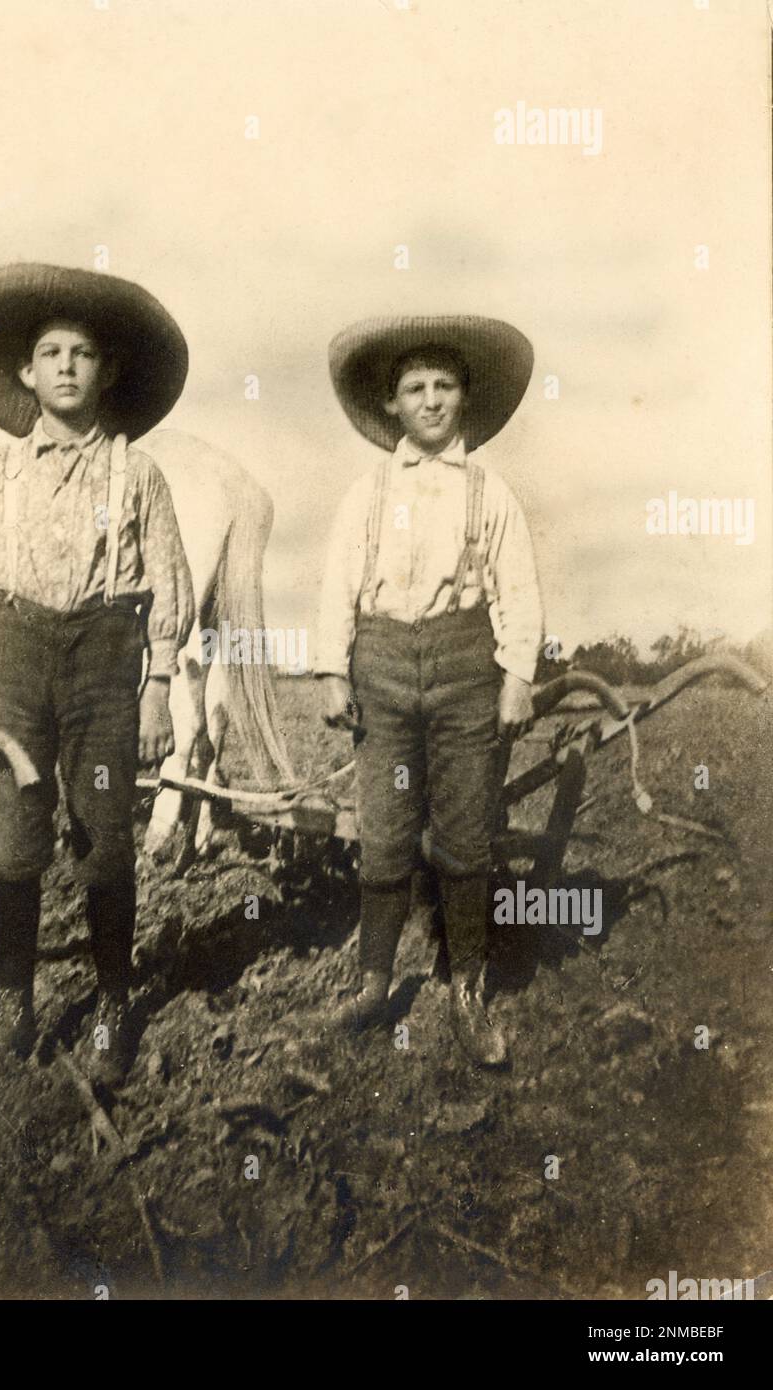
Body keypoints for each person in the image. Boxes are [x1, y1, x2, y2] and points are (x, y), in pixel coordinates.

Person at [0, 262, 195, 1080]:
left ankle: (114, 1006)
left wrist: (156, 689)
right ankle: (14, 1000)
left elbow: (169, 588)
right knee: (15, 842)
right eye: (50, 352)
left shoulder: (139, 473)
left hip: (104, 660)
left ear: (107, 370)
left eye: (82, 352)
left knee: (105, 839)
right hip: (11, 654)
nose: (66, 366)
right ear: (25, 371)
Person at [317, 315, 543, 1066]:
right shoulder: (367, 493)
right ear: (391, 404)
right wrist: (330, 669)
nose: (432, 400)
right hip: (381, 667)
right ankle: (374, 982)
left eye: (445, 386)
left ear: (465, 397)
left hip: (463, 667)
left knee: (465, 834)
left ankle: (467, 991)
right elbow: (336, 590)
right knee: (382, 831)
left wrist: (515, 677)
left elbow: (520, 590)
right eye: (415, 388)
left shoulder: (490, 493)